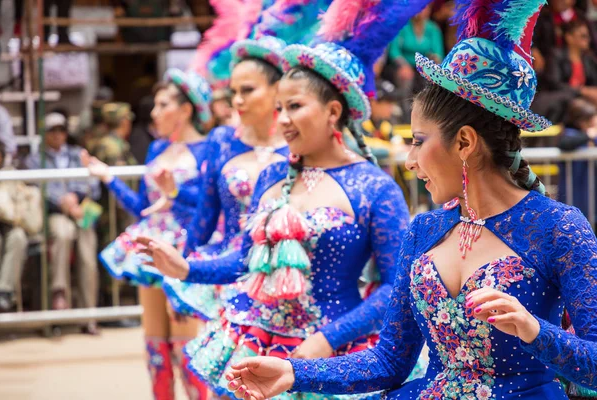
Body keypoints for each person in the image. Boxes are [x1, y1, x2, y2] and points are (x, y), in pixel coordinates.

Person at [224, 0, 597, 398]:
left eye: (419, 142)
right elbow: (388, 361)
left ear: (465, 142)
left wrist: (535, 330)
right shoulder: (424, 229)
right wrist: (293, 371)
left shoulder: (558, 227)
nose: (410, 160)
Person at [137, 0, 427, 397]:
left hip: (332, 355)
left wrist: (326, 340)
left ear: (333, 111)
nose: (284, 119)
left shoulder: (375, 188)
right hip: (258, 342)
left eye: (294, 106)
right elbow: (245, 259)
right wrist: (186, 268)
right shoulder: (275, 174)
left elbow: (394, 288)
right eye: (280, 108)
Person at [82, 69, 214, 400]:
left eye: (162, 104)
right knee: (155, 345)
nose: (154, 113)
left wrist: (175, 195)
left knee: (187, 347)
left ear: (185, 110)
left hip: (185, 252)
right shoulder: (156, 149)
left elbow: (210, 207)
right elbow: (143, 206)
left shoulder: (210, 150)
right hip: (150, 251)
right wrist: (108, 177)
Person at [161, 36, 289, 323]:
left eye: (248, 90)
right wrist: (184, 276)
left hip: (286, 276)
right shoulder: (221, 141)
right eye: (233, 91)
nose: (238, 100)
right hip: (227, 273)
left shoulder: (300, 145)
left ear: (278, 89)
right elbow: (205, 217)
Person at [25, 112, 101, 334]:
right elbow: (37, 188)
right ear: (44, 134)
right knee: (62, 234)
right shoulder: (34, 159)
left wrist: (76, 197)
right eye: (52, 130)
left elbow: (93, 185)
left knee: (87, 247)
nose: (58, 135)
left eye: (61, 130)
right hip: (54, 212)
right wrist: (62, 201)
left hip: (80, 211)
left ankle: (89, 315)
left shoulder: (79, 154)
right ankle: (59, 302)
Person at [0, 140, 29, 313]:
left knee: (18, 238)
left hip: (10, 224)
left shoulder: (9, 174)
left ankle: (4, 292)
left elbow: (19, 206)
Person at [558, 98, 597, 221]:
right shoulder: (570, 134)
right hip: (575, 192)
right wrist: (587, 135)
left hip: (590, 191)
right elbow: (565, 144)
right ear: (580, 121)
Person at [93, 102, 137, 167]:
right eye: (129, 120)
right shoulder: (113, 146)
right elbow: (119, 174)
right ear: (125, 122)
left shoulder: (107, 142)